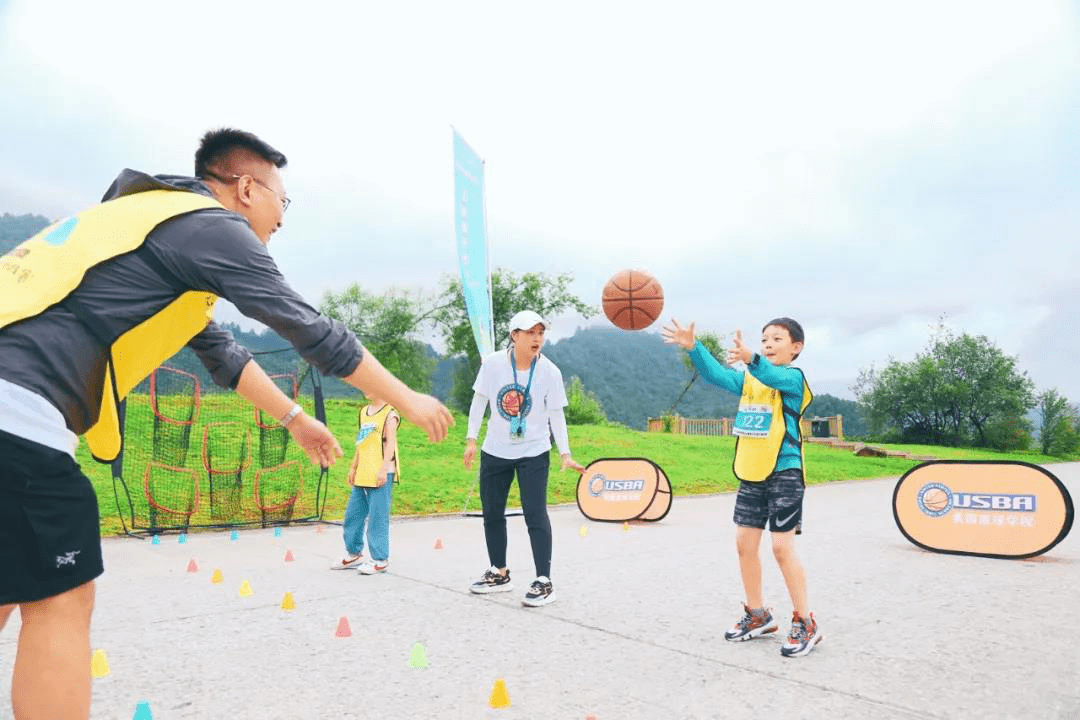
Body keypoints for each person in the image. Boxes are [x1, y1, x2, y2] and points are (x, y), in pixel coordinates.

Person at [0, 128, 453, 719]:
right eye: (280, 202)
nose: (280, 221)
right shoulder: (211, 225)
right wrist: (408, 398)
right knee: (59, 598)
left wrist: (294, 419)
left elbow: (222, 354)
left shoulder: (145, 225)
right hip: (18, 417)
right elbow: (309, 328)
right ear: (246, 187)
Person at [661, 317, 822, 658]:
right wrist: (695, 348)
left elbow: (770, 374)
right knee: (744, 545)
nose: (768, 343)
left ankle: (805, 621)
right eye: (764, 338)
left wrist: (752, 358)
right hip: (751, 473)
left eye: (777, 338)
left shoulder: (793, 379)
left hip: (785, 472)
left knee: (781, 548)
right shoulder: (750, 378)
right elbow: (718, 376)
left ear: (796, 347)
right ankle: (758, 614)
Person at [463, 310, 585, 607]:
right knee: (492, 513)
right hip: (495, 450)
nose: (537, 338)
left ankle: (544, 580)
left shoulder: (549, 372)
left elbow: (557, 415)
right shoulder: (493, 365)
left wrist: (565, 453)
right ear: (514, 335)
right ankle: (499, 572)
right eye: (530, 332)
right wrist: (471, 439)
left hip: (534, 451)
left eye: (541, 333)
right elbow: (479, 401)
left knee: (535, 513)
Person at [331, 394, 400, 574]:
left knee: (378, 518)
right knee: (353, 515)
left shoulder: (390, 415)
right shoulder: (363, 412)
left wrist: (384, 470)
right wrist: (353, 467)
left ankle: (380, 559)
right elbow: (361, 442)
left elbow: (391, 445)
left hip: (381, 473)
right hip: (363, 472)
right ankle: (354, 553)